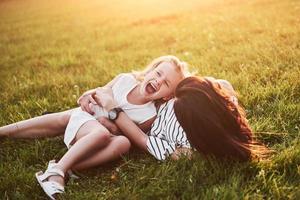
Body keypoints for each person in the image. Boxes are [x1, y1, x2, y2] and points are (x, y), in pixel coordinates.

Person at [0, 55, 189, 200]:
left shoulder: (150, 115)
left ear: (166, 97)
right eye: (158, 73)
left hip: (100, 132)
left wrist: (112, 126)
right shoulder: (125, 80)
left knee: (123, 143)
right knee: (74, 123)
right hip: (88, 118)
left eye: (165, 83)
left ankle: (61, 167)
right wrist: (94, 96)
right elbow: (102, 91)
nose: (158, 80)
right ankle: (57, 171)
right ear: (150, 71)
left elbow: (125, 133)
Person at [98, 76, 268, 162]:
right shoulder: (223, 104)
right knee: (222, 82)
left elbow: (143, 139)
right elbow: (223, 86)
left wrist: (114, 111)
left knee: (117, 132)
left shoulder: (188, 149)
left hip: (144, 123)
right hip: (165, 101)